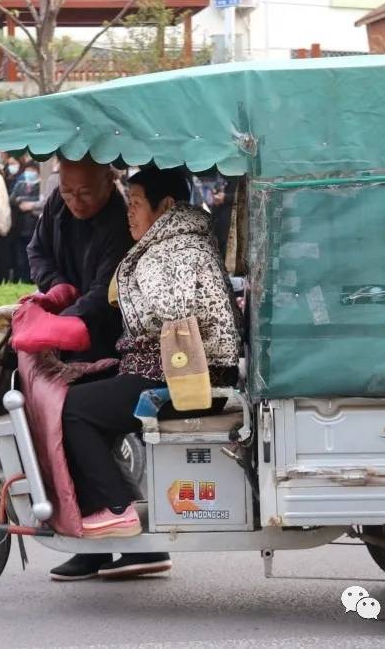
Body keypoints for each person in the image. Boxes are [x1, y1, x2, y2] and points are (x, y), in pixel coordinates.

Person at [61, 166, 239, 571]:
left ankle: (117, 509)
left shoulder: (173, 249)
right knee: (87, 402)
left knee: (71, 408)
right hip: (168, 372)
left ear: (166, 207)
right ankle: (135, 540)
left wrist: (130, 295)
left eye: (137, 203)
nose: (129, 212)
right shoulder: (172, 243)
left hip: (182, 380)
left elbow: (173, 312)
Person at [11, 157, 151, 581]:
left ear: (111, 182)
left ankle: (115, 534)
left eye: (84, 192)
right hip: (66, 328)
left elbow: (105, 292)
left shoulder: (120, 222)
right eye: (68, 191)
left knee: (76, 423)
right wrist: (57, 290)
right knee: (77, 432)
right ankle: (102, 545)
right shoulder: (57, 203)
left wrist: (68, 317)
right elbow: (36, 251)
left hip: (105, 338)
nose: (74, 201)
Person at [10, 161, 42, 282]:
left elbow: (41, 200)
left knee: (32, 255)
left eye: (32, 171)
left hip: (34, 226)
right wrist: (21, 201)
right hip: (20, 226)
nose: (29, 174)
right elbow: (12, 199)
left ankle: (32, 279)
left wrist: (30, 204)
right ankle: (22, 279)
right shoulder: (20, 184)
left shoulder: (40, 185)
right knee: (20, 257)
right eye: (27, 171)